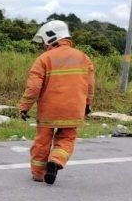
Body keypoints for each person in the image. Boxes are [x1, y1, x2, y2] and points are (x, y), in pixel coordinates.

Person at [19, 19, 95, 185]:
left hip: (49, 110)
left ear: (50, 36)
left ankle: (38, 174)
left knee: (42, 141)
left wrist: (24, 107)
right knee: (66, 139)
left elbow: (33, 87)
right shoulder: (83, 58)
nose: (43, 45)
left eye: (43, 41)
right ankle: (56, 161)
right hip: (74, 109)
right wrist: (87, 105)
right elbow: (89, 86)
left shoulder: (44, 59)